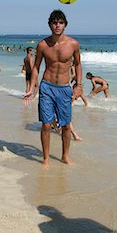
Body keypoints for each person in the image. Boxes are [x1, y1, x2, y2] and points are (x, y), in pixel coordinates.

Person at [23, 10, 83, 166]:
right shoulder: (43, 45)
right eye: (54, 22)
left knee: (65, 125)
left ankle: (65, 156)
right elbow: (36, 67)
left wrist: (79, 85)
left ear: (65, 25)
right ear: (50, 24)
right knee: (46, 124)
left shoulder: (73, 44)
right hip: (47, 87)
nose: (57, 25)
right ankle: (46, 158)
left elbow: (77, 64)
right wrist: (31, 87)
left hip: (64, 88)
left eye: (60, 22)